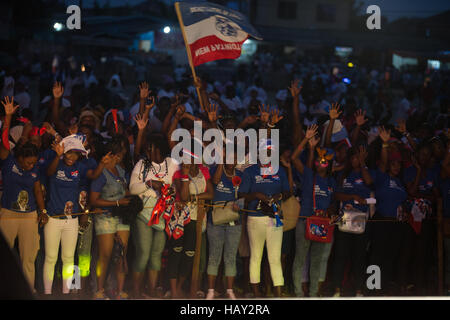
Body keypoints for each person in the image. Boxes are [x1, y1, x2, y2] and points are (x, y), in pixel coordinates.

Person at [42, 134, 109, 296]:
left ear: (79, 155)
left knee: (69, 258)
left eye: (75, 153)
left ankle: (65, 294)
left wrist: (101, 164)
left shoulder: (80, 167)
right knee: (51, 258)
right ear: (63, 152)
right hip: (53, 218)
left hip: (72, 220)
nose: (71, 157)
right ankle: (47, 293)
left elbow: (93, 176)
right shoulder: (56, 163)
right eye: (68, 152)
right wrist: (58, 156)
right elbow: (49, 173)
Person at [0, 96, 47, 292]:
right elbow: (2, 142)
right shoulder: (8, 161)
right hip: (8, 214)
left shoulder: (34, 169)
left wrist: (42, 210)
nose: (31, 166)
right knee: (5, 258)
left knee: (29, 257)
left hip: (29, 215)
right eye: (28, 163)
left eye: (34, 163)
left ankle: (28, 291)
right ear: (19, 158)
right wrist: (8, 117)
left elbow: (37, 189)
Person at [129, 128, 179, 299]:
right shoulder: (142, 164)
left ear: (159, 149)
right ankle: (135, 290)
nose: (147, 150)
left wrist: (168, 190)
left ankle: (151, 290)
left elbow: (177, 186)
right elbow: (133, 188)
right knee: (143, 253)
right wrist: (150, 183)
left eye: (150, 147)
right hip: (144, 213)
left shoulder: (172, 164)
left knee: (156, 255)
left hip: (164, 215)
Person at [291, 125, 338, 297]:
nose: (320, 163)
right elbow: (294, 158)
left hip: (322, 224)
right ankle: (297, 293)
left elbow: (334, 202)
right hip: (305, 221)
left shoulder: (332, 182)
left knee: (317, 260)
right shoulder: (309, 175)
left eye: (324, 161)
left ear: (329, 164)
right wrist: (307, 140)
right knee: (300, 259)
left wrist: (330, 211)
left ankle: (312, 294)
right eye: (318, 160)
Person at [242, 138, 291, 298]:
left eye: (271, 151)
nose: (268, 153)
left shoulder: (280, 171)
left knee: (275, 258)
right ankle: (256, 295)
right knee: (256, 256)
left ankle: (277, 294)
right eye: (266, 150)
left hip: (275, 217)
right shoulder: (250, 171)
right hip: (255, 218)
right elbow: (241, 195)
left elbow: (288, 191)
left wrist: (279, 195)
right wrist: (256, 195)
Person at [90, 137, 131, 300]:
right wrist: (117, 202)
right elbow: (93, 200)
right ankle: (99, 290)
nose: (120, 158)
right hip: (105, 216)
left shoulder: (120, 171)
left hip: (121, 216)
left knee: (121, 254)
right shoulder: (102, 173)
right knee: (105, 255)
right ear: (111, 154)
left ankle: (119, 291)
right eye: (118, 155)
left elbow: (124, 191)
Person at [369, 126, 408, 295]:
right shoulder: (382, 177)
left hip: (396, 223)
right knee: (377, 254)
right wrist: (385, 145)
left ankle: (383, 287)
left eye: (398, 164)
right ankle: (372, 286)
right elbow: (383, 163)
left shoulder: (401, 183)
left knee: (390, 256)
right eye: (394, 164)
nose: (396, 167)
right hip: (382, 220)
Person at [206, 155, 250, 300]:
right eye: (229, 158)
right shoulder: (215, 169)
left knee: (230, 257)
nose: (232, 161)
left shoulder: (241, 175)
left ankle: (230, 290)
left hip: (234, 220)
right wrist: (221, 163)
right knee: (214, 256)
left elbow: (244, 195)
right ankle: (211, 291)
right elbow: (215, 181)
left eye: (234, 158)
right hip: (216, 219)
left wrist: (241, 204)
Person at [332, 146, 373, 297]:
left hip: (361, 220)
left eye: (359, 157)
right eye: (355, 157)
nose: (356, 159)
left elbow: (369, 183)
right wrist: (352, 197)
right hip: (345, 219)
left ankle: (358, 290)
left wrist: (363, 164)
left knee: (359, 257)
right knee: (340, 255)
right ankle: (337, 289)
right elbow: (336, 195)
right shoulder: (344, 175)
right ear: (350, 159)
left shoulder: (367, 172)